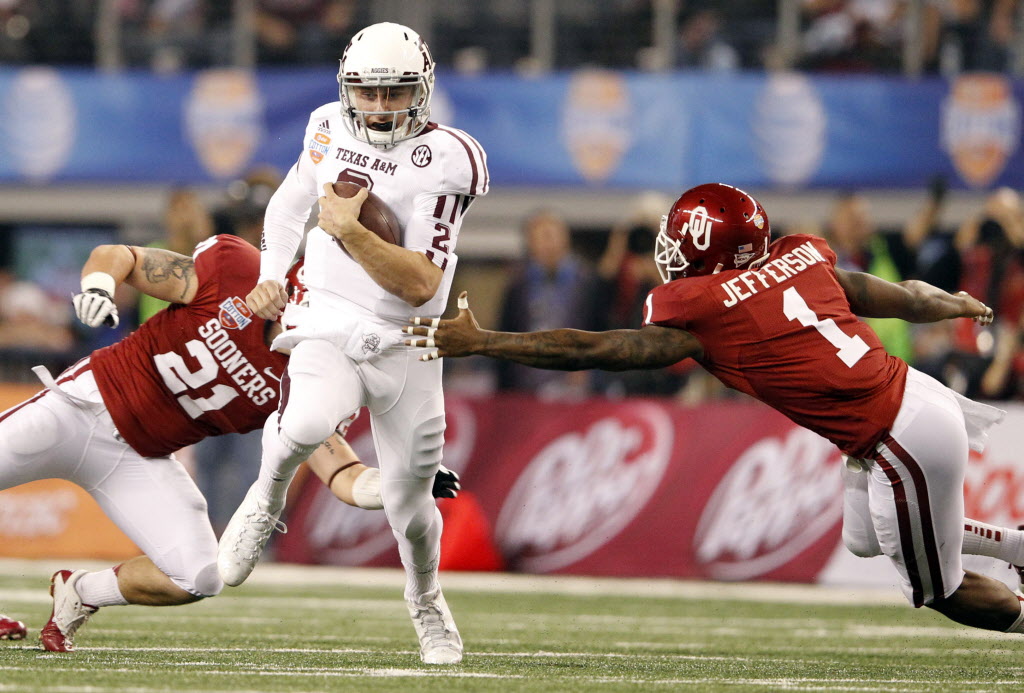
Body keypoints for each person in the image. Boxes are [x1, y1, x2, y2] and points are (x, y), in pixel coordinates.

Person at [407, 182, 1024, 636]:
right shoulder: (799, 254)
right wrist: (943, 302)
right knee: (868, 539)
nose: (670, 250)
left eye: (680, 240)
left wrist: (486, 341)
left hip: (896, 437)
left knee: (937, 589)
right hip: (919, 398)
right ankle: (1015, 546)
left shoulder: (704, 306)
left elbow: (595, 349)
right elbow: (879, 293)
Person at [0, 234, 457, 652]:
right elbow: (116, 256)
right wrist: (98, 287)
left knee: (199, 574)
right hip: (80, 407)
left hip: (139, 458)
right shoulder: (237, 271)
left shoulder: (317, 379)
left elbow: (343, 476)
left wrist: (404, 482)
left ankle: (78, 593)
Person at [216, 22, 488, 666]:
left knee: (411, 507)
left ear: (421, 92)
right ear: (347, 90)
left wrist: (348, 230)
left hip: (409, 339)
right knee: (308, 418)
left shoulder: (447, 157)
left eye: (395, 93)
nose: (379, 107)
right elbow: (285, 209)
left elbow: (421, 284)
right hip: (329, 319)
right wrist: (270, 276)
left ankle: (425, 599)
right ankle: (265, 496)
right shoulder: (326, 126)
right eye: (367, 93)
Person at [496, 209, 598, 397]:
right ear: (529, 243)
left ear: (565, 238)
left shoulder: (589, 281)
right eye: (540, 237)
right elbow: (504, 334)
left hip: (576, 386)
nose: (547, 243)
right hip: (526, 387)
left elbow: (602, 329)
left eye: (551, 235)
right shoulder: (518, 285)